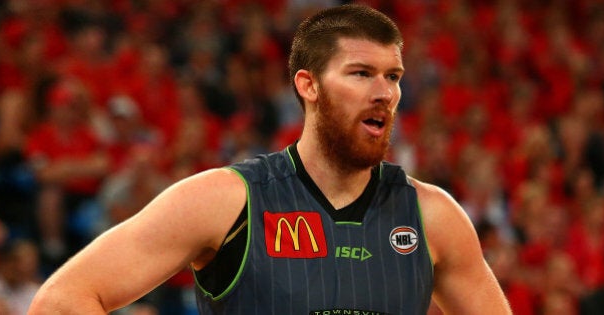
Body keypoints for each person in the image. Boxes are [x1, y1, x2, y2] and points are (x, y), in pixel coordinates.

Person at [29, 4, 511, 314]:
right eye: (362, 73)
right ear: (309, 85)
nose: (384, 92)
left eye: (393, 76)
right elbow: (62, 302)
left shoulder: (433, 216)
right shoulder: (224, 199)